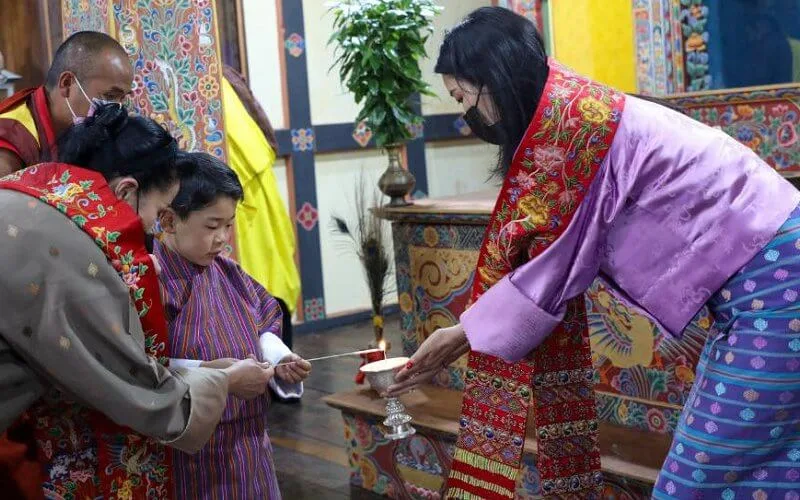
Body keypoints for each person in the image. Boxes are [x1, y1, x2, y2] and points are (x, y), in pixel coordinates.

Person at [386, 6, 800, 500]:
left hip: (776, 288)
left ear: (491, 79)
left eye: (462, 97)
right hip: (764, 284)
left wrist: (460, 335)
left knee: (692, 482)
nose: (464, 114)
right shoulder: (578, 110)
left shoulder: (576, 128)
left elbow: (555, 269)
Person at [0, 104, 274, 499]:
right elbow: (132, 389)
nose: (151, 233)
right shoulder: (75, 252)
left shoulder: (38, 190)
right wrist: (225, 380)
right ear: (127, 190)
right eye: (159, 214)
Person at [155, 151, 311, 499]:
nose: (223, 238)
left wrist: (277, 357)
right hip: (192, 454)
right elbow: (145, 367)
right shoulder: (152, 281)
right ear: (168, 220)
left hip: (250, 443)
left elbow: (267, 315)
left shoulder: (230, 273)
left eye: (229, 224)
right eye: (212, 226)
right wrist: (221, 378)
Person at [222, 65, 300, 350]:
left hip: (246, 196)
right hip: (245, 193)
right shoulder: (223, 76)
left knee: (263, 277)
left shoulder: (217, 78)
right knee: (267, 273)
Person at [0, 30, 132, 176]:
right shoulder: (10, 148)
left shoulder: (90, 131)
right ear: (67, 84)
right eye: (110, 96)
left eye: (122, 99)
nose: (117, 109)